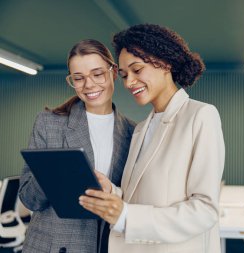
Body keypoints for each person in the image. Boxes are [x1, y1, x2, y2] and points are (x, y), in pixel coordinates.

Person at [79, 24, 225, 253]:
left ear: (165, 63)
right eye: (125, 75)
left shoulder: (200, 115)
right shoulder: (140, 130)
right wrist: (111, 193)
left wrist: (126, 216)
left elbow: (205, 210)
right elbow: (139, 196)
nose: (128, 83)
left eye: (137, 70)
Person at [19, 39, 135, 253]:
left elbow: (134, 199)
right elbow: (28, 199)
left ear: (114, 72)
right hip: (52, 247)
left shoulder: (133, 132)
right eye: (78, 78)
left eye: (97, 74)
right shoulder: (48, 123)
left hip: (104, 246)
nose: (89, 85)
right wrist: (52, 172)